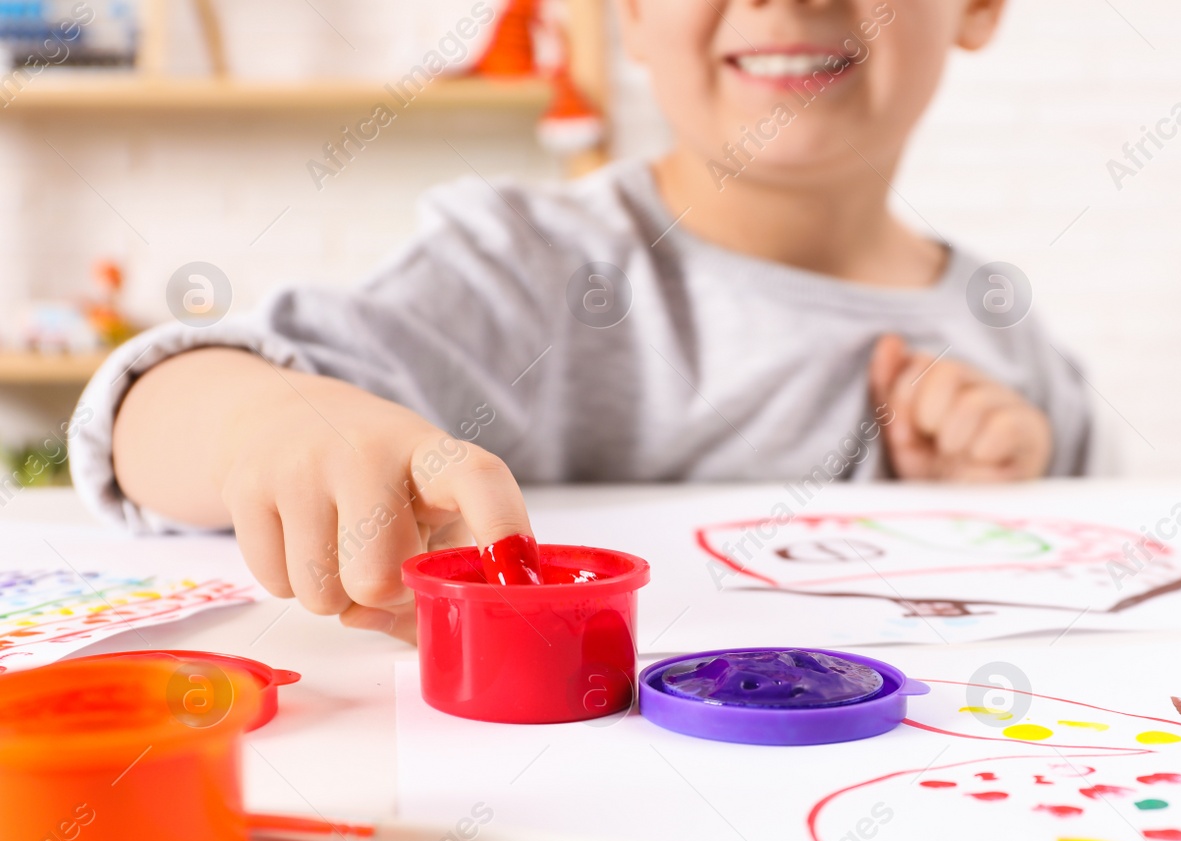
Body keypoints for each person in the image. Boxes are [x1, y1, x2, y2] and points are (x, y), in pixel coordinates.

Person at [71, 0, 1090, 642]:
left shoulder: (1007, 337)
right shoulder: (521, 265)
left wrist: (1000, 502)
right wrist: (268, 423)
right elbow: (150, 412)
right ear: (627, 15)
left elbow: (1114, 587)